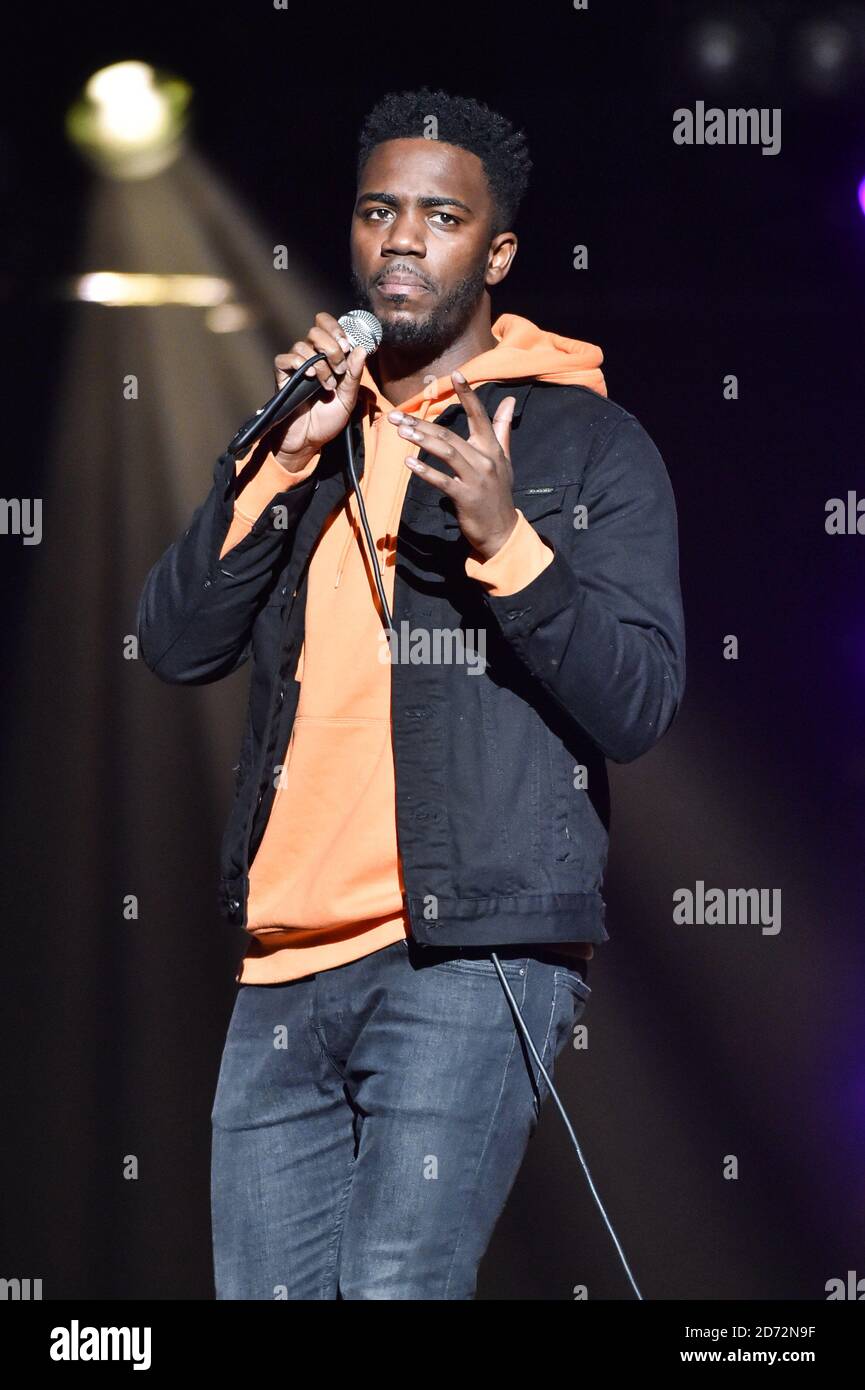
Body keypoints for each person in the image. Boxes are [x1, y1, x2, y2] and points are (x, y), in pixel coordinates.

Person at [137, 87, 686, 1299]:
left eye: (440, 218)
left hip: (461, 953)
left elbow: (639, 700)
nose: (400, 239)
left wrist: (509, 541)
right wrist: (281, 455)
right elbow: (173, 640)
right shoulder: (316, 435)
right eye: (379, 210)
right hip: (282, 960)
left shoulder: (583, 445)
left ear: (495, 253)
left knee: (397, 1287)